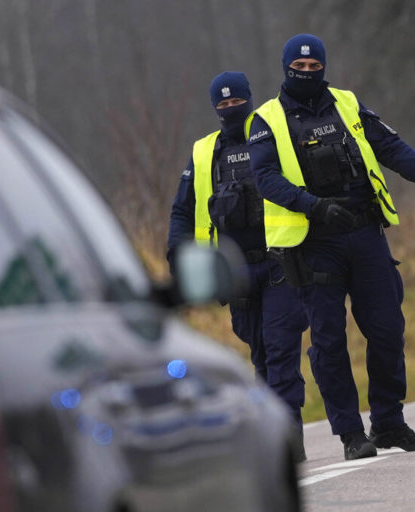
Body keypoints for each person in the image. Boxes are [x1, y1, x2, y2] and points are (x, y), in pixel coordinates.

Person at [246, 34, 415, 461]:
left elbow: (392, 149)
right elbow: (266, 179)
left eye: (315, 67)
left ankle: (389, 423)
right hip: (313, 243)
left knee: (388, 329)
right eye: (300, 67)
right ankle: (352, 434)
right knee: (330, 341)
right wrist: (314, 207)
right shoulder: (266, 120)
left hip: (365, 232)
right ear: (286, 67)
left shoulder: (348, 103)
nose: (308, 73)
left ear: (324, 67)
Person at [167, 71, 309, 457]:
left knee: (281, 350)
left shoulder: (271, 135)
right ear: (214, 108)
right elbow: (182, 212)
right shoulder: (204, 153)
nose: (231, 109)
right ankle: (276, 434)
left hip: (280, 261)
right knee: (259, 351)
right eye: (223, 104)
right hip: (235, 271)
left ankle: (290, 435)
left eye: (237, 102)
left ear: (250, 99)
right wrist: (177, 255)